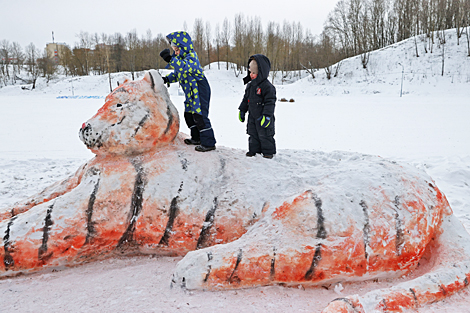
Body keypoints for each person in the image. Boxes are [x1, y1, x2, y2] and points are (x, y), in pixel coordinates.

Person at [159, 31, 216, 152]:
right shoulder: (180, 60)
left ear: (184, 47)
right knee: (189, 115)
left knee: (200, 116)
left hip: (200, 90)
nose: (175, 52)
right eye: (174, 50)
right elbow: (177, 74)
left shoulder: (191, 58)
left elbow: (184, 67)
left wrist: (169, 59)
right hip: (191, 94)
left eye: (177, 50)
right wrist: (165, 79)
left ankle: (209, 142)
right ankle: (196, 138)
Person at [238, 54, 276, 159]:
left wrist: (267, 116)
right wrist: (242, 110)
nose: (251, 75)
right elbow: (246, 99)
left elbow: (270, 102)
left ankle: (268, 152)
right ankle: (253, 150)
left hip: (263, 116)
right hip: (252, 116)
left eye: (254, 72)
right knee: (252, 134)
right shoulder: (250, 85)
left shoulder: (267, 87)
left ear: (261, 72)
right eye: (250, 72)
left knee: (265, 135)